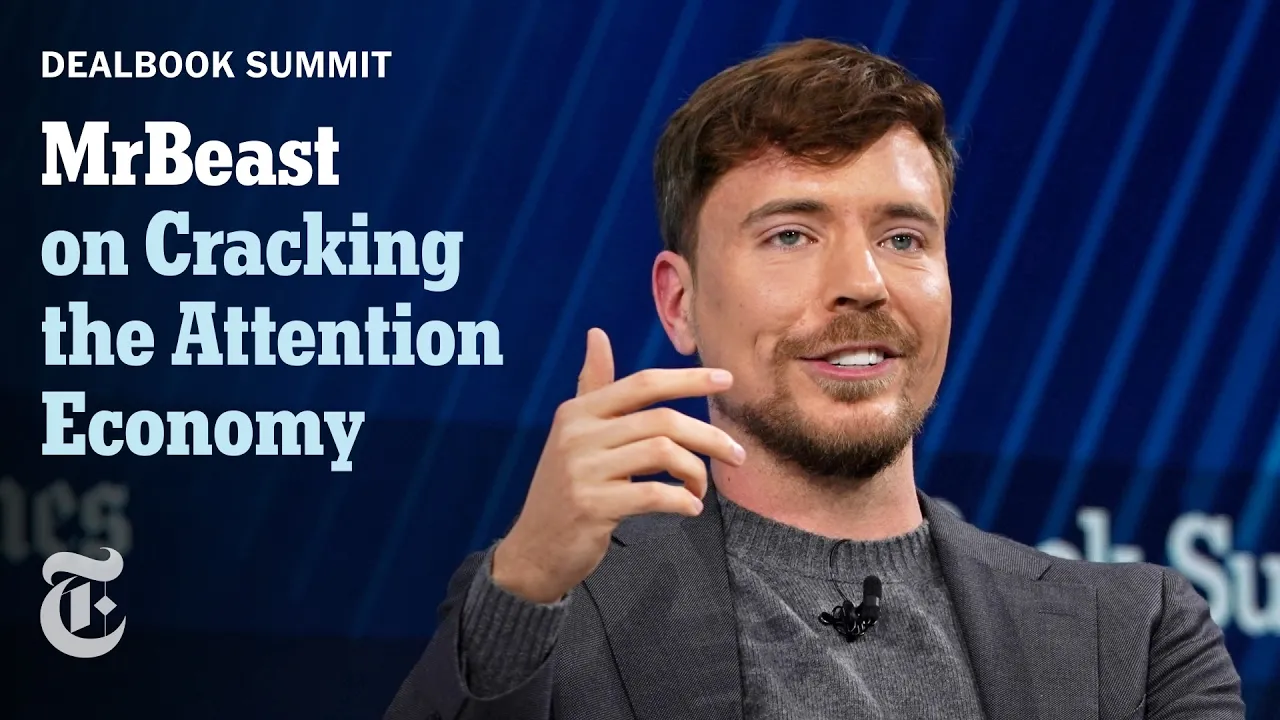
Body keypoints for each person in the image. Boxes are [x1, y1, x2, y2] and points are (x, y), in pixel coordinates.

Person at [384, 38, 1244, 720]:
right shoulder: (548, 612)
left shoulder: (1136, 636)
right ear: (680, 303)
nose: (862, 282)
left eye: (903, 238)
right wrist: (528, 583)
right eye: (791, 235)